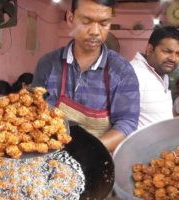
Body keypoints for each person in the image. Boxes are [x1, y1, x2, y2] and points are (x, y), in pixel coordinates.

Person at [32, 0, 140, 152]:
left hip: (98, 159)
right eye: (86, 21)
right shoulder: (48, 64)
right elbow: (33, 111)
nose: (95, 31)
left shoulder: (121, 71)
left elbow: (127, 123)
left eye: (103, 23)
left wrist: (86, 151)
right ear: (70, 19)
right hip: (50, 156)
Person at [130, 26, 179, 128]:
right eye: (167, 51)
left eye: (178, 53)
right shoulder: (133, 74)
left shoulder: (162, 73)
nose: (173, 58)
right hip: (142, 144)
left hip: (163, 143)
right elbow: (121, 124)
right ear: (150, 49)